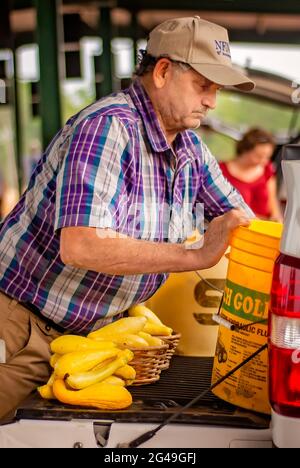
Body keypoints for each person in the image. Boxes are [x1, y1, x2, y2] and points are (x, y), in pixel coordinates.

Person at [0, 16, 254, 420]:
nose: (211, 102)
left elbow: (241, 219)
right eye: (203, 86)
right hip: (23, 327)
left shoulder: (189, 148)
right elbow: (81, 246)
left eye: (217, 90)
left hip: (93, 339)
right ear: (164, 71)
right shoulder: (108, 128)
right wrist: (195, 255)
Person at [219, 128, 283, 221]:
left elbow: (273, 202)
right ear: (245, 150)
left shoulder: (267, 169)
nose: (264, 161)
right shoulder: (220, 170)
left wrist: (277, 218)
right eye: (259, 156)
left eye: (267, 157)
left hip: (264, 226)